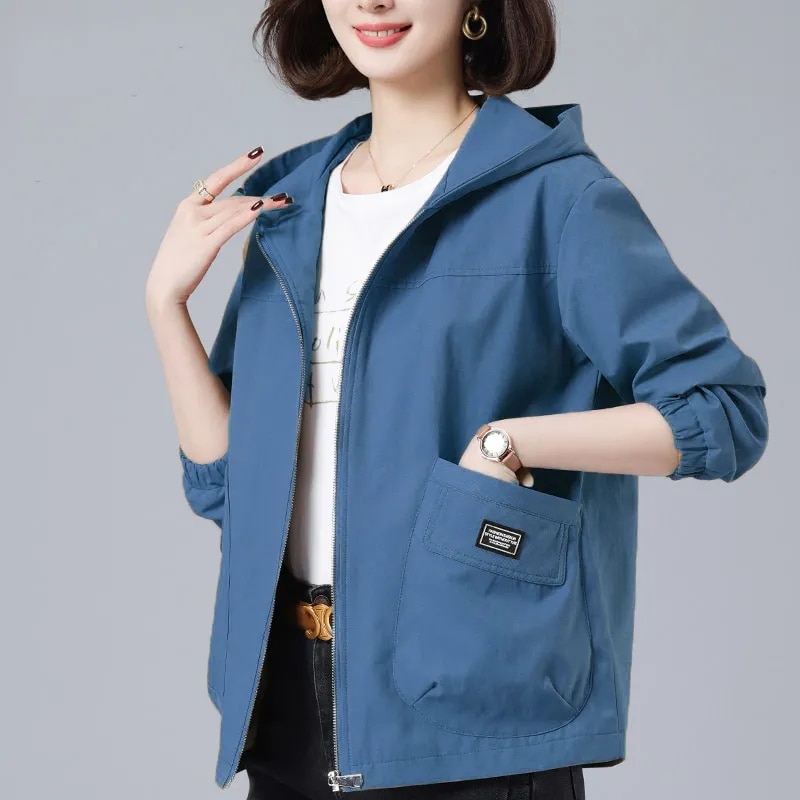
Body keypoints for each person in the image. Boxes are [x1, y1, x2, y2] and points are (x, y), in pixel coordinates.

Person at [145, 2, 769, 798]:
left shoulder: (554, 196)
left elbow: (723, 409)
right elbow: (227, 490)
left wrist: (513, 443)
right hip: (286, 711)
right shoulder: (288, 212)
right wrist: (165, 305)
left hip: (473, 711)